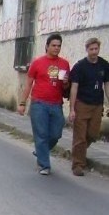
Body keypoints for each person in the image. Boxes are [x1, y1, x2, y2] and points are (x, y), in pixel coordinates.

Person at [17, 33, 71, 175]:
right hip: (39, 103)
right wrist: (22, 103)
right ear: (47, 46)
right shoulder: (38, 62)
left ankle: (41, 150)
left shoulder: (64, 64)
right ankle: (44, 165)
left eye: (59, 46)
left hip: (56, 104)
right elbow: (28, 84)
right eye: (53, 45)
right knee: (41, 134)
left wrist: (66, 83)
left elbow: (65, 88)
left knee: (56, 133)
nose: (56, 48)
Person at [68, 37, 109, 176]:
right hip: (82, 104)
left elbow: (107, 85)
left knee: (93, 134)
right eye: (91, 49)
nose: (94, 52)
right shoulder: (80, 66)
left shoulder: (104, 65)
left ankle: (77, 152)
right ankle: (78, 165)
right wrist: (72, 109)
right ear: (87, 50)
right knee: (80, 136)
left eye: (96, 49)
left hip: (97, 105)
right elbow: (74, 87)